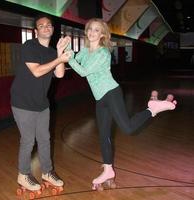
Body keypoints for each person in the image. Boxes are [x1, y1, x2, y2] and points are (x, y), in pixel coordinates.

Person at [67, 18, 177, 190]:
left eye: (96, 30)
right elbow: (74, 57)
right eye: (90, 29)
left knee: (128, 128)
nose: (92, 32)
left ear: (102, 34)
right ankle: (108, 169)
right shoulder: (86, 50)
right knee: (104, 136)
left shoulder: (103, 53)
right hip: (99, 98)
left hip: (111, 93)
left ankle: (152, 109)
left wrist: (68, 58)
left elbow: (83, 71)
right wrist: (66, 49)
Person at [10, 14, 72, 194]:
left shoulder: (52, 52)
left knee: (45, 139)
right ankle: (23, 174)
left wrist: (59, 54)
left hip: (42, 103)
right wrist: (59, 60)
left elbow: (59, 74)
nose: (46, 27)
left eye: (49, 25)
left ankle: (47, 172)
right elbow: (37, 71)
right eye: (41, 25)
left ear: (52, 29)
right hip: (22, 102)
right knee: (28, 141)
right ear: (36, 31)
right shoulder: (29, 46)